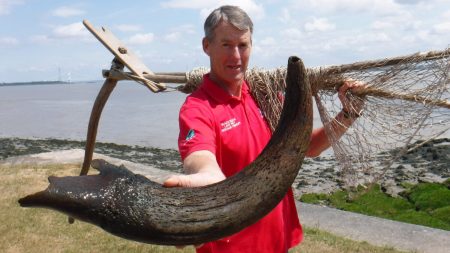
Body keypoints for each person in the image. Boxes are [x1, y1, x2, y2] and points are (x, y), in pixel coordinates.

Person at [163, 5, 364, 253]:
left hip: (278, 238)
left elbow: (307, 147)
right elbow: (200, 157)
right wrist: (208, 177)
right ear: (207, 46)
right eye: (226, 45)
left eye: (243, 45)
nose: (236, 56)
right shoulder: (197, 108)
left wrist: (348, 113)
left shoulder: (265, 95)